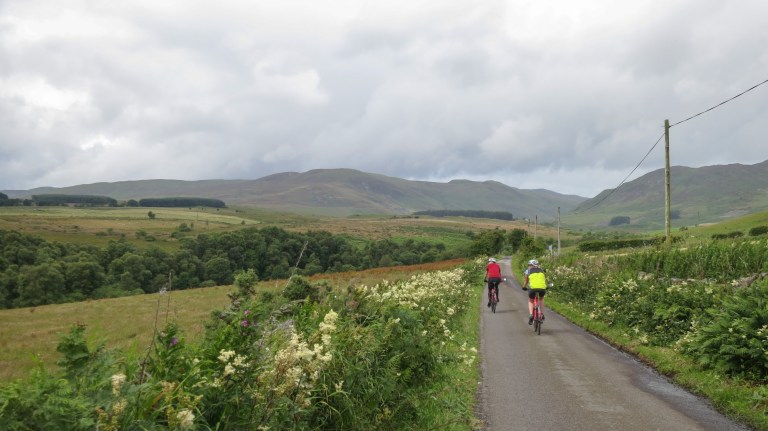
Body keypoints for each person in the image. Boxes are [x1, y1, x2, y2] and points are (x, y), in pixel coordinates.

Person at [522, 259, 547, 324]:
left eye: (529, 265)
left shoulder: (528, 271)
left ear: (531, 265)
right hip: (542, 288)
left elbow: (526, 281)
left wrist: (524, 287)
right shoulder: (541, 270)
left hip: (532, 289)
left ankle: (531, 315)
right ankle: (541, 313)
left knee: (531, 300)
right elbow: (543, 280)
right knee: (541, 299)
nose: (528, 266)